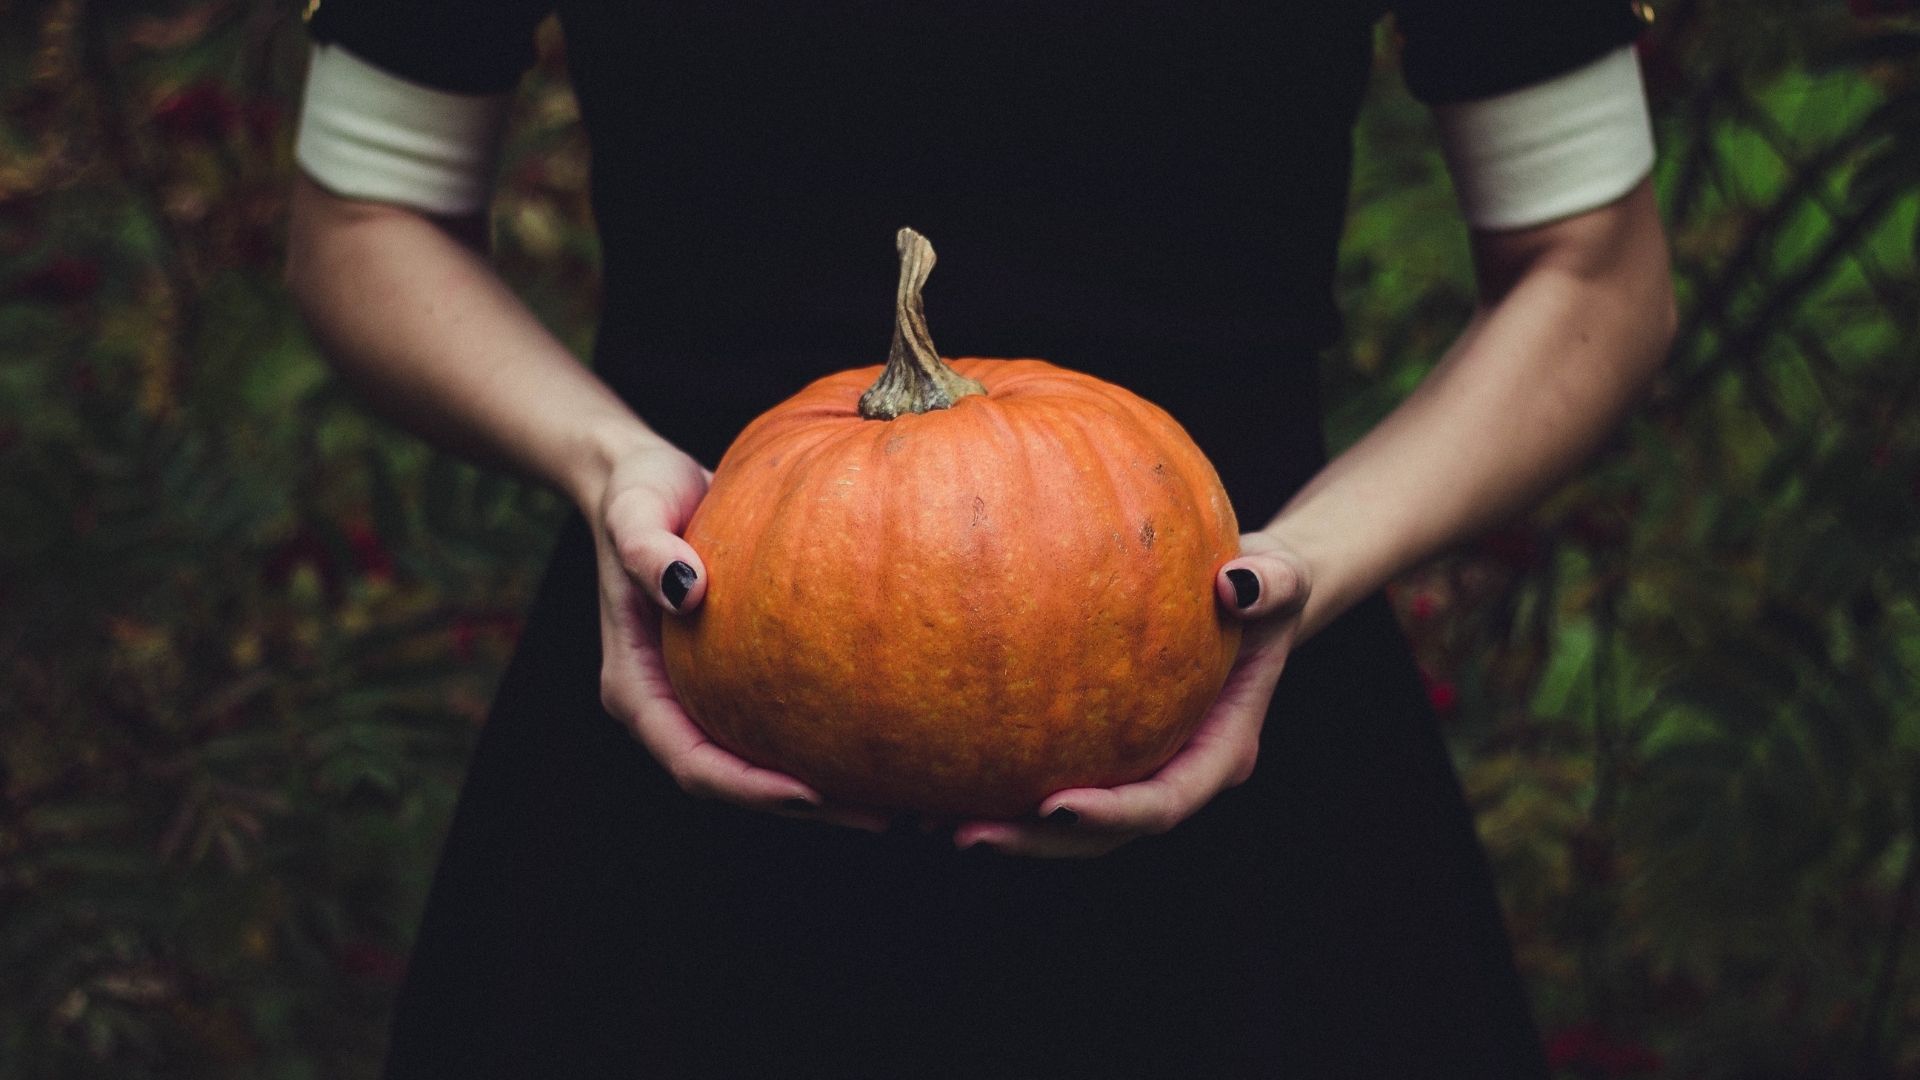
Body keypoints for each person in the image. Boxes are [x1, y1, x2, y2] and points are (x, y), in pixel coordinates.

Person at [283, 1, 1675, 1075]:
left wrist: (1306, 566)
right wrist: (608, 469)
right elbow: (363, 216)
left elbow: (1594, 269)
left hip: (1238, 693)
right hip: (694, 663)